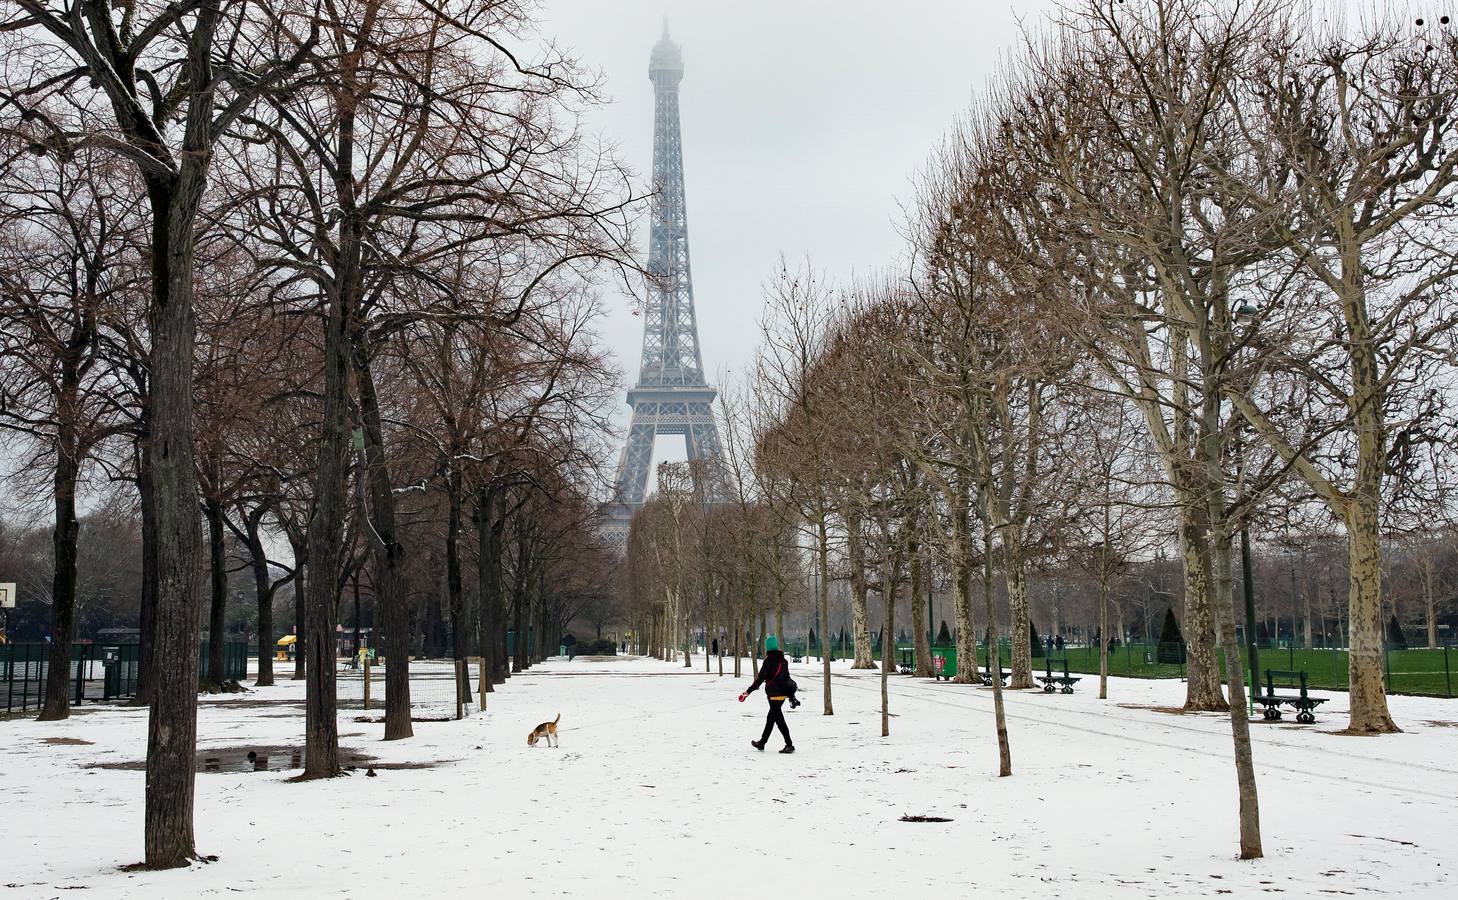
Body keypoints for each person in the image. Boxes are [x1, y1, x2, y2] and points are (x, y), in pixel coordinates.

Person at [739, 635, 796, 753]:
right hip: (783, 695)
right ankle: (762, 743)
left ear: (767, 647)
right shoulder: (784, 661)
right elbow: (787, 678)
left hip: (773, 695)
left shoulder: (768, 661)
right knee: (771, 718)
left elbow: (760, 679)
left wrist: (747, 692)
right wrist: (791, 696)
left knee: (779, 720)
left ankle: (789, 744)